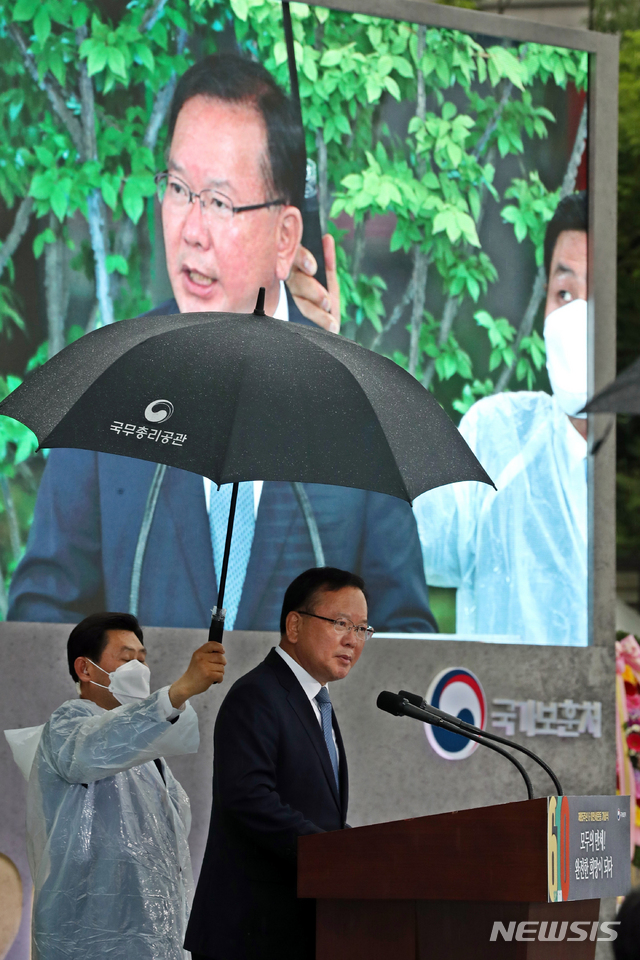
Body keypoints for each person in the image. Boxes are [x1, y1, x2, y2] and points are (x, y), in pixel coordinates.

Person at [7, 53, 436, 636]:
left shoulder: (357, 407)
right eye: (178, 188)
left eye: (219, 201)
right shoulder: (109, 386)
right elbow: (40, 615)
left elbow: (402, 634)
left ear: (286, 237)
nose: (190, 229)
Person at [414, 192, 588, 645]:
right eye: (565, 293)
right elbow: (413, 544)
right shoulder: (499, 435)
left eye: (599, 295)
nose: (577, 318)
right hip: (502, 711)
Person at [185, 567, 368, 960]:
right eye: (341, 623)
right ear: (295, 625)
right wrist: (333, 853)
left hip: (299, 930)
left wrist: (360, 849)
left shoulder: (317, 702)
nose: (353, 640)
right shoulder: (257, 694)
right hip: (251, 935)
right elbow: (249, 798)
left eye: (363, 629)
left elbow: (316, 810)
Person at [23, 611, 226, 960]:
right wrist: (177, 693)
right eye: (127, 658)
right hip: (89, 937)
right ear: (85, 669)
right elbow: (93, 749)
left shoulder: (148, 754)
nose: (139, 668)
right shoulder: (68, 725)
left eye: (143, 659)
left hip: (154, 938)